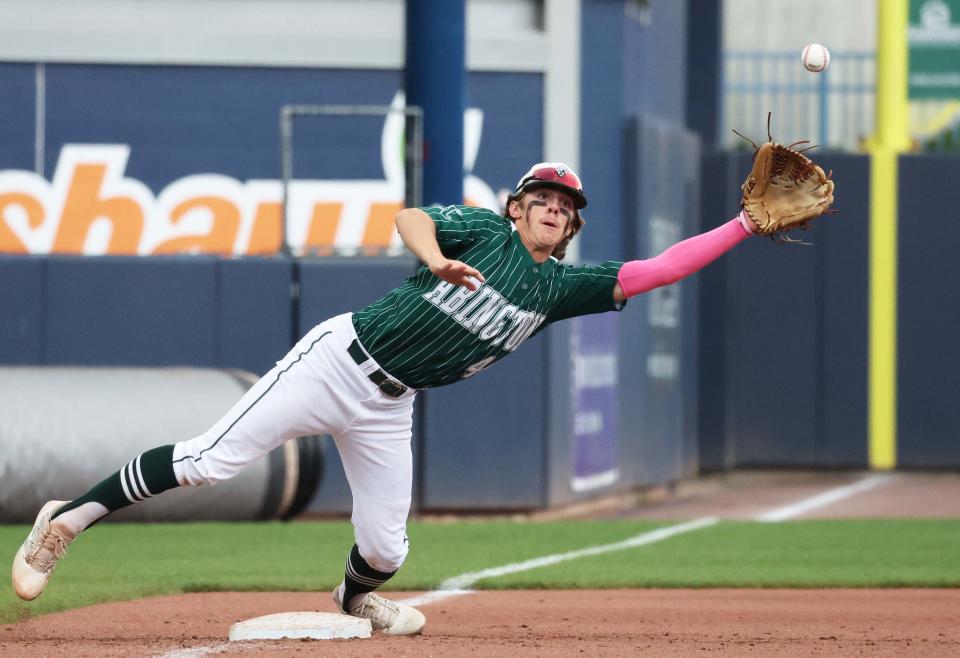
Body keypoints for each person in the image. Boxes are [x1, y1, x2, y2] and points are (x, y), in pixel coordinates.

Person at [12, 162, 759, 635]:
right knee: (211, 461)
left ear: (572, 226)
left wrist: (744, 224)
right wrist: (436, 258)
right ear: (516, 206)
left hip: (389, 404)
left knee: (387, 547)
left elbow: (660, 269)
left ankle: (351, 598)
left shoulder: (562, 288)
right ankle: (66, 522)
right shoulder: (482, 233)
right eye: (541, 198)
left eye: (565, 205)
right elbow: (411, 218)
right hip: (336, 361)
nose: (552, 209)